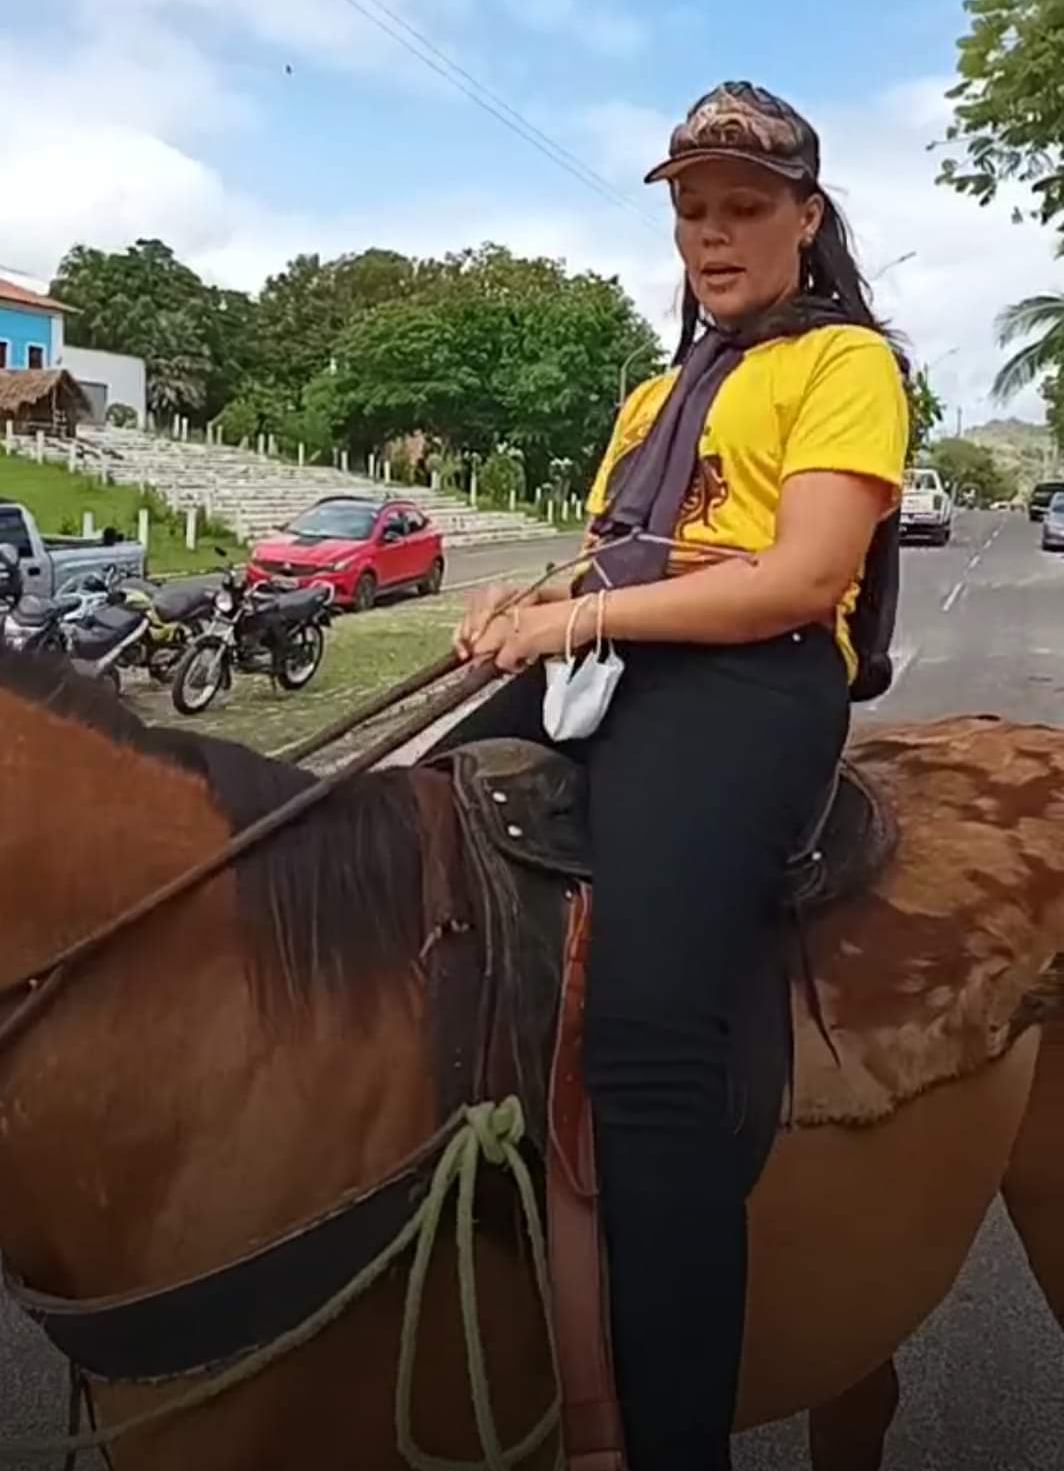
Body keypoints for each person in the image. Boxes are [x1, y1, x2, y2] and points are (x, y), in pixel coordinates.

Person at [453, 81, 909, 1469]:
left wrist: (578, 620)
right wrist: (519, 608)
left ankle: (675, 1440)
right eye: (692, 214)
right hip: (625, 657)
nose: (713, 239)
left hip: (753, 685)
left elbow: (802, 578)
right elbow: (612, 559)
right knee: (378, 835)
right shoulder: (656, 392)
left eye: (744, 210)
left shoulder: (845, 365)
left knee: (649, 1037)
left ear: (806, 218)